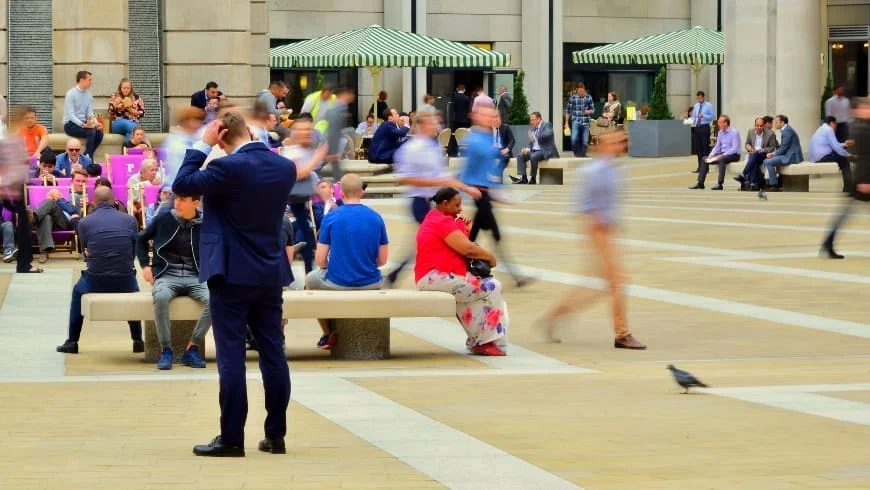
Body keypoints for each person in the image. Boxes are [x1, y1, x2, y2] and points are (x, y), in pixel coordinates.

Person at [173, 111, 296, 457]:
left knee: (231, 356)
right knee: (273, 352)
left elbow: (182, 184)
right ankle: (275, 435)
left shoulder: (226, 169)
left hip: (230, 273)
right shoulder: (283, 167)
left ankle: (231, 438)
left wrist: (202, 145)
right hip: (270, 272)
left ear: (222, 134)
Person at [538, 130, 646, 350]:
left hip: (608, 232)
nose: (620, 146)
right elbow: (581, 205)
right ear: (604, 145)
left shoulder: (615, 170)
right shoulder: (592, 171)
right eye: (616, 142)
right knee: (617, 282)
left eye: (623, 142)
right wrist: (596, 225)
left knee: (602, 287)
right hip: (596, 231)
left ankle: (554, 316)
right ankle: (622, 334)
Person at [387, 112, 480, 286]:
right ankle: (443, 270)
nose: (436, 127)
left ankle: (400, 273)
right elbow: (404, 178)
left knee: (430, 238)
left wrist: (466, 188)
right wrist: (434, 182)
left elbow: (444, 177)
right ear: (423, 125)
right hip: (420, 200)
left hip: (434, 201)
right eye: (432, 123)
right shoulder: (410, 149)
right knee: (440, 235)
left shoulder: (434, 148)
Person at [415, 187, 507, 356]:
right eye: (457, 204)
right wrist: (490, 257)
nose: (461, 208)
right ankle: (484, 341)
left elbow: (459, 243)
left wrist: (467, 229)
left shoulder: (435, 217)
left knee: (477, 292)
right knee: (492, 286)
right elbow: (467, 249)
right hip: (435, 277)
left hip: (435, 276)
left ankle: (480, 340)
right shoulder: (441, 222)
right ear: (445, 204)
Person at [56, 187, 143, 354]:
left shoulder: (85, 222)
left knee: (77, 292)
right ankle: (137, 340)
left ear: (93, 203)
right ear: (115, 201)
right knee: (134, 288)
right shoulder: (130, 220)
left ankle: (72, 342)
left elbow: (85, 253)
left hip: (96, 279)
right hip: (125, 279)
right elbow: (132, 253)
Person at [306, 174, 389, 349]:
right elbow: (382, 260)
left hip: (338, 281)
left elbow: (320, 260)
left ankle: (327, 333)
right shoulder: (376, 218)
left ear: (341, 193)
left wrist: (334, 266)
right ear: (362, 192)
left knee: (310, 279)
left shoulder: (332, 217)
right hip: (371, 281)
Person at [137, 192, 210, 370]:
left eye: (182, 200)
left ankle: (192, 347)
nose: (176, 203)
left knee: (216, 300)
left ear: (196, 202)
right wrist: (146, 266)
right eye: (176, 199)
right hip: (167, 274)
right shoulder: (164, 219)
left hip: (196, 276)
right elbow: (140, 239)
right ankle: (166, 350)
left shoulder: (207, 223)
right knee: (161, 297)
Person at [459, 105, 527, 287]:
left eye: (492, 115)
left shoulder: (488, 138)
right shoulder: (474, 140)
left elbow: (491, 170)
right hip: (479, 193)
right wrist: (464, 190)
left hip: (485, 194)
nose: (490, 118)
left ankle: (514, 276)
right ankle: (515, 276)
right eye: (486, 115)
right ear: (476, 116)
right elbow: (467, 170)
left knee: (475, 236)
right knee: (490, 236)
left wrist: (499, 192)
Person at [821, 97, 870, 259]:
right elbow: (864, 157)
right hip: (863, 179)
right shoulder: (861, 128)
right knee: (845, 214)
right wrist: (864, 181)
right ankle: (828, 243)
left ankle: (828, 243)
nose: (868, 110)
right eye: (866, 108)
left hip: (862, 178)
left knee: (844, 214)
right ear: (856, 111)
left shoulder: (863, 126)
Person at [282, 118, 329, 274]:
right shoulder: (292, 152)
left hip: (302, 201)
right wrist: (319, 156)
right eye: (303, 130)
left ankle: (309, 271)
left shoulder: (306, 150)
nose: (307, 133)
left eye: (309, 130)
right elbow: (299, 173)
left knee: (308, 237)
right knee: (304, 237)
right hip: (289, 201)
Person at [689, 115, 741, 190]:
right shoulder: (720, 133)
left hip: (733, 154)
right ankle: (700, 183)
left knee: (722, 159)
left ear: (726, 123)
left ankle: (720, 184)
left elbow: (734, 148)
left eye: (720, 122)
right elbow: (717, 146)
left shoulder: (734, 132)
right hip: (721, 153)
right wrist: (711, 155)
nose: (718, 124)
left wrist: (722, 155)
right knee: (704, 159)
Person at [62, 70, 103, 159]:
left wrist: (96, 124)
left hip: (84, 123)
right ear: (82, 80)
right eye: (89, 80)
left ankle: (85, 155)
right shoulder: (71, 94)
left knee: (99, 133)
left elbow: (90, 113)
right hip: (70, 124)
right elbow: (71, 115)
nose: (91, 82)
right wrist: (83, 125)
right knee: (91, 132)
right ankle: (89, 158)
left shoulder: (88, 95)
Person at [808, 116, 854, 193]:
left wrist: (844, 144)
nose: (836, 127)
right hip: (821, 158)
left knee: (841, 157)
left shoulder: (821, 129)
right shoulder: (829, 130)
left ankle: (848, 187)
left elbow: (833, 144)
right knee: (844, 160)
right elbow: (836, 147)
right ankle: (848, 188)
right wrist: (847, 154)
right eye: (835, 124)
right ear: (832, 123)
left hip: (816, 158)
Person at [761, 114, 803, 197]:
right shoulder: (786, 130)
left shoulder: (787, 131)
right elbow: (783, 147)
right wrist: (774, 154)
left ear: (782, 122)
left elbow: (784, 148)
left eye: (776, 122)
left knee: (769, 162)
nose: (775, 124)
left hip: (791, 156)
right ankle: (770, 183)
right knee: (766, 161)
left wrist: (773, 154)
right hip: (787, 154)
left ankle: (774, 185)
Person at [511, 111, 559, 184]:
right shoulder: (534, 129)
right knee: (520, 155)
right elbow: (532, 143)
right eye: (531, 120)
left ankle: (533, 178)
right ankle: (524, 178)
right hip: (534, 150)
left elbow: (548, 134)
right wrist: (527, 149)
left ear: (539, 119)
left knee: (534, 156)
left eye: (533, 120)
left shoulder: (547, 125)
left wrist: (535, 135)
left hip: (545, 151)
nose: (531, 122)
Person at [735, 117, 778, 193]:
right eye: (757, 125)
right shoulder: (750, 132)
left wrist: (761, 150)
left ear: (764, 126)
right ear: (754, 125)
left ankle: (744, 174)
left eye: (761, 126)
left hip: (764, 155)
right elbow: (747, 143)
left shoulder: (770, 134)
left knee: (754, 155)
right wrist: (748, 147)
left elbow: (772, 148)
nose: (759, 127)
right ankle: (753, 184)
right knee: (754, 160)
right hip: (753, 154)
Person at [565, 82, 594, 157]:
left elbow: (593, 110)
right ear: (576, 90)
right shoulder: (572, 98)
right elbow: (568, 111)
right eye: (579, 91)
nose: (581, 93)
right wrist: (566, 123)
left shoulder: (588, 97)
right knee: (574, 138)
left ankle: (583, 155)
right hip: (575, 121)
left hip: (586, 122)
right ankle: (577, 154)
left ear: (584, 90)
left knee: (585, 140)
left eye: (582, 91)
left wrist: (587, 111)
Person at [690, 91, 715, 173]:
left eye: (700, 98)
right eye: (698, 98)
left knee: (705, 147)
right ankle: (700, 167)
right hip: (697, 127)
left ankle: (706, 167)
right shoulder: (696, 106)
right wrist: (690, 121)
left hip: (704, 127)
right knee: (698, 147)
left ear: (703, 97)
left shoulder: (708, 105)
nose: (699, 99)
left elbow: (712, 116)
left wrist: (703, 116)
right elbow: (694, 116)